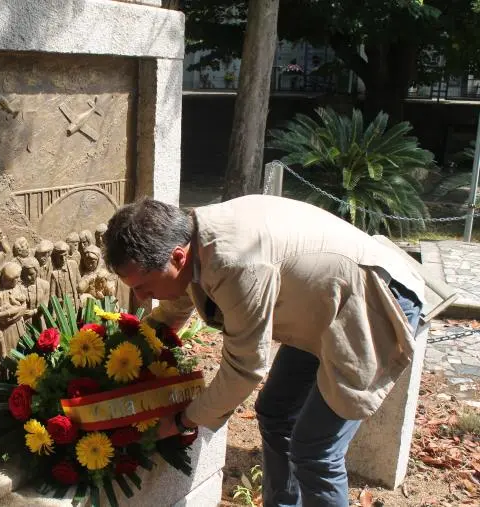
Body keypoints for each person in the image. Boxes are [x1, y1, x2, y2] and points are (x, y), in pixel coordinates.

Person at [102, 196, 424, 507]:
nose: (142, 298)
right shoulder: (191, 236)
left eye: (143, 287)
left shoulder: (235, 262)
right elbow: (178, 302)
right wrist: (136, 347)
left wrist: (183, 420)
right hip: (322, 303)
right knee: (277, 411)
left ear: (177, 258)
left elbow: (244, 368)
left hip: (375, 299)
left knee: (315, 450)